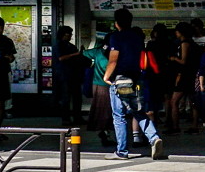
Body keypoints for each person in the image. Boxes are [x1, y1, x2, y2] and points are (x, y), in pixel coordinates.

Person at [101, 8, 168, 161]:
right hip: (136, 79)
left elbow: (113, 60)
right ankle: (154, 138)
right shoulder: (137, 37)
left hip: (120, 79)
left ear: (117, 23)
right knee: (138, 112)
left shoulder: (116, 37)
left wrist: (106, 76)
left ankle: (121, 151)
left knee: (119, 116)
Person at [82, 33, 114, 145]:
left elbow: (84, 53)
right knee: (107, 111)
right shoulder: (114, 53)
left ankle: (103, 131)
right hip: (108, 84)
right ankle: (105, 132)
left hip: (96, 84)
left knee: (99, 109)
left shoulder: (98, 51)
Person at [52, 25, 86, 127]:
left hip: (73, 74)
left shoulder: (70, 46)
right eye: (69, 34)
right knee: (66, 98)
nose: (70, 36)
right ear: (63, 35)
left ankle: (77, 117)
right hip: (64, 75)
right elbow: (61, 58)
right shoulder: (58, 45)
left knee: (77, 97)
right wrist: (76, 54)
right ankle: (66, 118)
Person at [0, 17, 17, 123]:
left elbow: (12, 57)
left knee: (0, 103)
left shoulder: (7, 41)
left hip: (2, 73)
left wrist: (9, 58)